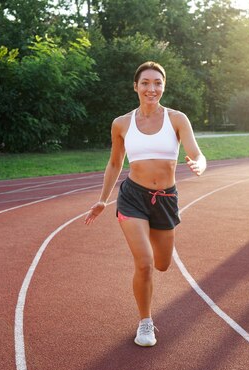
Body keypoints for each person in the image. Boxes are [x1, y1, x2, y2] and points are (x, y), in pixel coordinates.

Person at [84, 61, 206, 347]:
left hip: (165, 200)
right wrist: (103, 199)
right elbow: (115, 163)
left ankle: (152, 257)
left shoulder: (177, 119)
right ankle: (145, 322)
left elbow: (197, 154)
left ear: (163, 86)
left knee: (163, 264)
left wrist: (198, 164)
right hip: (133, 198)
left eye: (158, 83)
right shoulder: (122, 123)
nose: (152, 89)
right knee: (145, 264)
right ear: (136, 86)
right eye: (146, 83)